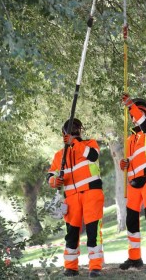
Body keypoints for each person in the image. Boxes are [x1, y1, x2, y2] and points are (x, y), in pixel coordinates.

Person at [46, 118, 104, 277]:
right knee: (71, 233)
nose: (74, 131)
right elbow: (50, 175)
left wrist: (74, 143)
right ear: (63, 134)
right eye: (70, 130)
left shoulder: (90, 144)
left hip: (92, 193)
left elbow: (92, 156)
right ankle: (70, 267)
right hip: (71, 198)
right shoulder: (59, 155)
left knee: (93, 231)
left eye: (75, 128)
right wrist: (54, 181)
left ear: (80, 130)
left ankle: (95, 267)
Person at [118, 94, 146, 272]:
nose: (134, 117)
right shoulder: (129, 140)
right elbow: (130, 161)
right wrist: (124, 165)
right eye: (133, 114)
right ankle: (135, 258)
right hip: (133, 183)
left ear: (145, 114)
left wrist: (131, 105)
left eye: (138, 114)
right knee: (131, 221)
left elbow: (144, 124)